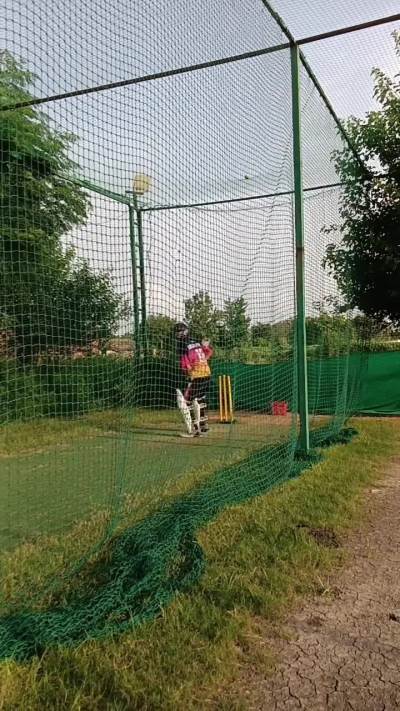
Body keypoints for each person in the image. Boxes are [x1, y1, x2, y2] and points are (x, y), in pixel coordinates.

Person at [175, 322, 213, 437]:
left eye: (178, 332)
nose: (177, 334)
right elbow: (209, 352)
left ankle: (195, 430)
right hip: (206, 373)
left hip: (196, 375)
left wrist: (189, 372)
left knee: (188, 401)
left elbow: (185, 362)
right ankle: (204, 426)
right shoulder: (195, 341)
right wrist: (202, 362)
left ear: (183, 332)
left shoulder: (182, 344)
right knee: (200, 399)